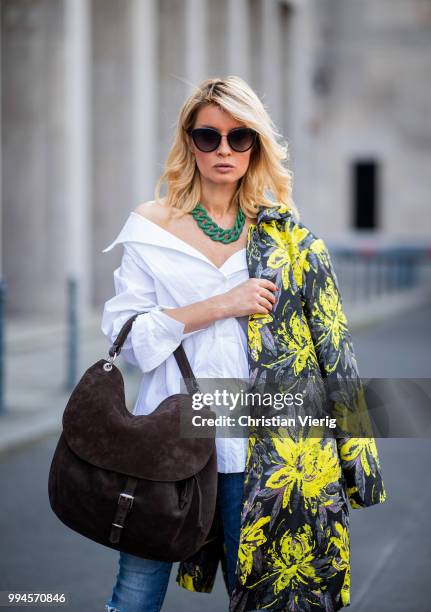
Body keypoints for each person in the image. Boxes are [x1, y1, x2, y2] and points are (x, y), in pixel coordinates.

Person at [100, 75, 293, 612]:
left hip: (252, 443)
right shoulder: (151, 225)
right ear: (190, 141)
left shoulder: (277, 231)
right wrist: (220, 304)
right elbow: (130, 344)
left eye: (240, 137)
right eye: (209, 136)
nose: (224, 150)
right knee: (135, 595)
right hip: (166, 438)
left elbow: (309, 342)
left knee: (254, 596)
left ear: (256, 143)